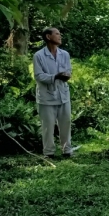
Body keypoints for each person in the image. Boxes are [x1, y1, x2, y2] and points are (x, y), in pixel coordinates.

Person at [33, 27, 77, 159]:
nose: (60, 36)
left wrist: (66, 76)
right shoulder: (39, 56)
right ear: (48, 36)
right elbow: (39, 76)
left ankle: (67, 150)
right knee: (48, 126)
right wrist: (56, 76)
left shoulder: (65, 54)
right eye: (57, 34)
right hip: (46, 97)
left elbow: (68, 71)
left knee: (66, 123)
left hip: (63, 94)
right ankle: (49, 153)